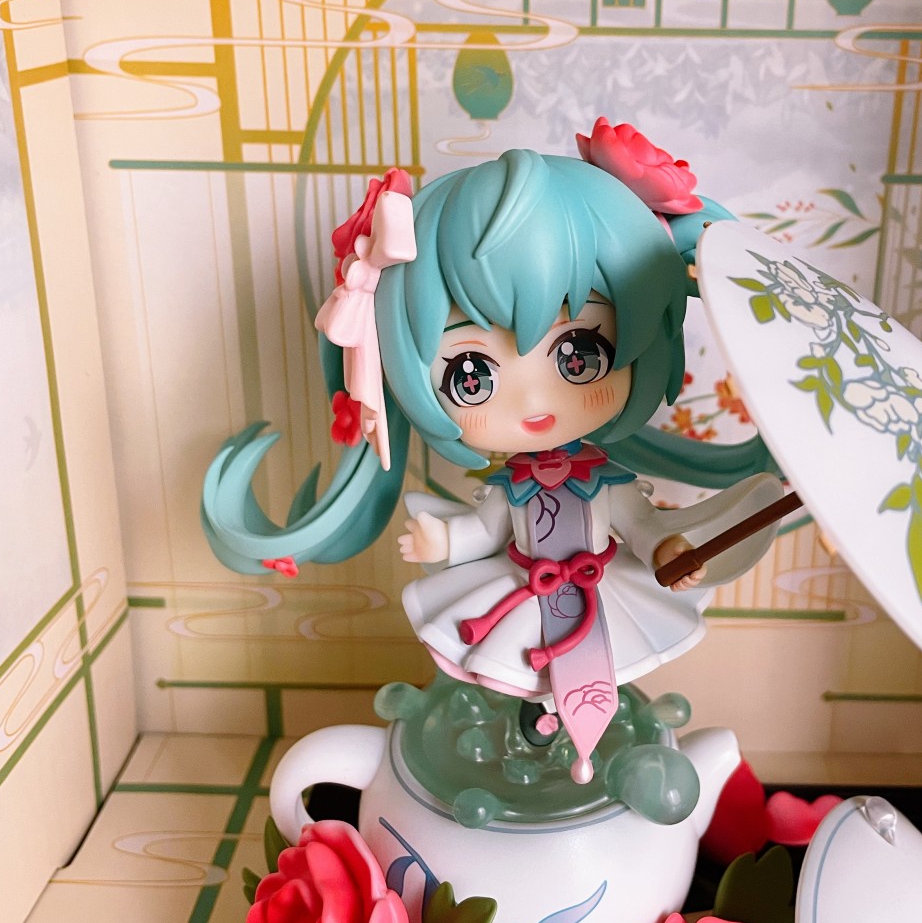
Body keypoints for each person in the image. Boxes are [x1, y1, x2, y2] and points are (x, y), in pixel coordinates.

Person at [203, 121, 787, 778]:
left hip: (602, 597)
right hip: (520, 600)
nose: (533, 400)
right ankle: (544, 741)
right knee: (517, 689)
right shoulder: (512, 489)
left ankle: (580, 754)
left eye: (579, 353)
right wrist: (444, 540)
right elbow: (486, 530)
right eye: (471, 374)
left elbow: (640, 522)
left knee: (596, 687)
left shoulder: (606, 481)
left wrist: (665, 548)